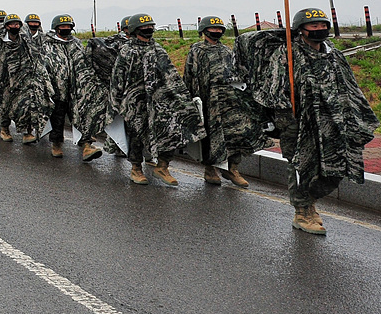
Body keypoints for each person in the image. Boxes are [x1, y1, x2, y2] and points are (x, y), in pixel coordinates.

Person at [236, 7, 378, 235]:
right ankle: (302, 211)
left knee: (336, 168)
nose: (319, 29)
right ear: (301, 30)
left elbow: (350, 87)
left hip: (331, 122)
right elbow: (272, 87)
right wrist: (285, 118)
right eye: (314, 26)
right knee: (302, 166)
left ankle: (309, 199)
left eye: (323, 25)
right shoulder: (287, 55)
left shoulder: (334, 55)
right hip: (297, 122)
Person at [109, 13, 203, 186]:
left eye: (150, 27)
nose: (148, 30)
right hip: (135, 102)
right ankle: (136, 168)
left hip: (160, 101)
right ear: (135, 30)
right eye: (144, 28)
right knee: (137, 134)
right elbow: (117, 78)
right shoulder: (127, 51)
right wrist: (115, 103)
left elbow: (171, 73)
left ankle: (163, 166)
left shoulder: (158, 49)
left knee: (170, 130)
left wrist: (181, 97)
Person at [182, 15, 267, 187]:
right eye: (213, 29)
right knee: (211, 137)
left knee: (236, 134)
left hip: (230, 101)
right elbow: (189, 76)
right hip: (209, 101)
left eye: (220, 29)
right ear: (204, 31)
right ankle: (210, 169)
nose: (217, 32)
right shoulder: (197, 50)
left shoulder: (227, 51)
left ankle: (232, 168)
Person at [38, 14, 106, 161]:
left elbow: (84, 62)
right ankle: (56, 144)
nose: (66, 29)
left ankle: (86, 146)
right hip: (57, 90)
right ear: (56, 28)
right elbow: (43, 66)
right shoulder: (47, 44)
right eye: (63, 27)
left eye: (68, 26)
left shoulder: (75, 43)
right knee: (58, 118)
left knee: (82, 117)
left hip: (76, 90)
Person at [0, 13, 53, 142]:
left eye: (17, 24)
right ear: (6, 26)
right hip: (5, 80)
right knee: (5, 105)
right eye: (12, 24)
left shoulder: (25, 40)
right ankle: (4, 129)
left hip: (23, 78)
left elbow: (35, 55)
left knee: (26, 105)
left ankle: (27, 132)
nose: (15, 26)